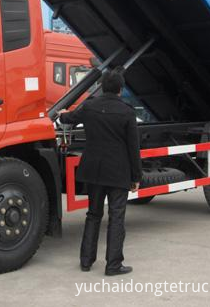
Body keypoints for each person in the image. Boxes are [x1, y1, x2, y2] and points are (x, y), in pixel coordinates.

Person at [59, 68, 142, 276]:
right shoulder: (127, 112)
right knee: (117, 218)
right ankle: (113, 265)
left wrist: (62, 115)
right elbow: (134, 148)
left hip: (94, 171)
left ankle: (86, 261)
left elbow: (68, 119)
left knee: (93, 215)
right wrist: (136, 177)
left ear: (103, 87)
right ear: (120, 90)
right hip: (118, 172)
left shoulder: (89, 106)